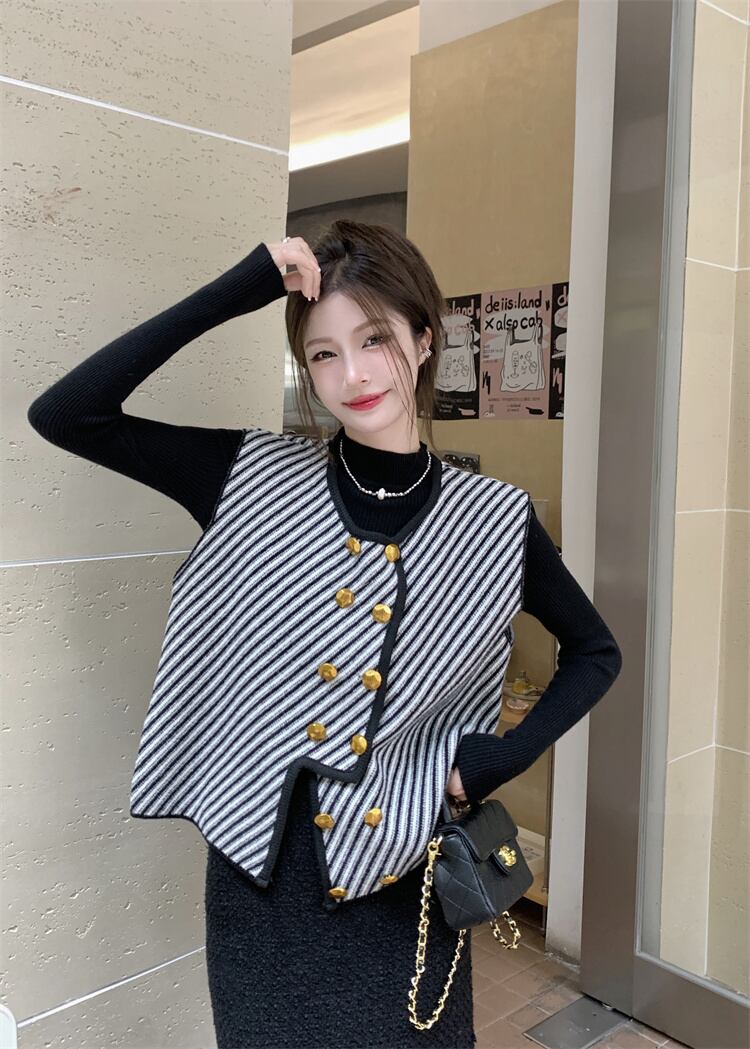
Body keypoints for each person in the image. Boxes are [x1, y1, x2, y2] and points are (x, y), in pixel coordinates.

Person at [27, 220, 622, 1049]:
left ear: (423, 338)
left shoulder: (494, 520)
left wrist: (496, 759)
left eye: (374, 339)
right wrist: (244, 286)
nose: (353, 374)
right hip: (262, 881)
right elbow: (67, 413)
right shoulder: (248, 475)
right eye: (323, 354)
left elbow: (596, 651)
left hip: (404, 877)